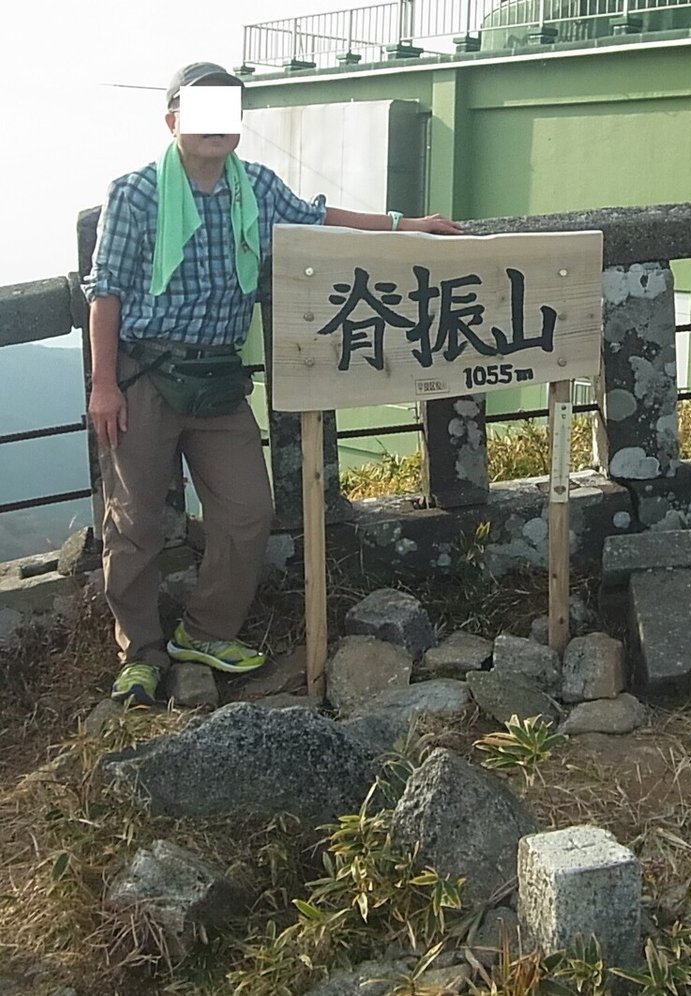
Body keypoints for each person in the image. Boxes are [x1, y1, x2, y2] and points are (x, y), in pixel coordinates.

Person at [84, 62, 462, 705]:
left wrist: (407, 225)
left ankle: (205, 631)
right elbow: (106, 293)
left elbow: (320, 217)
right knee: (136, 522)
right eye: (200, 112)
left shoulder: (254, 187)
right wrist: (104, 384)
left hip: (218, 375)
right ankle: (140, 653)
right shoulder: (136, 193)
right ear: (173, 119)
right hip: (143, 374)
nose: (215, 127)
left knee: (247, 509)